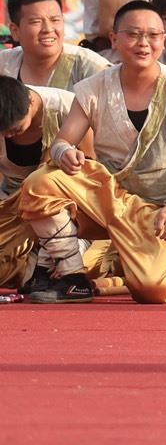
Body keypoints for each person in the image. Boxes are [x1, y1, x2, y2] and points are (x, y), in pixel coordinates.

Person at [18, 0, 166, 303]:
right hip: (107, 200)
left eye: (153, 35)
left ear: (163, 41)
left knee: (153, 290)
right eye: (134, 34)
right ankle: (73, 277)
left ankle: (138, 259)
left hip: (160, 210)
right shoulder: (94, 87)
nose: (144, 43)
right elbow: (62, 142)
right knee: (41, 182)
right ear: (114, 39)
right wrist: (63, 153)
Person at [0, 76, 80, 290]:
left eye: (15, 130)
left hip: (67, 211)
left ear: (31, 103)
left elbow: (93, 173)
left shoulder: (69, 108)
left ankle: (64, 262)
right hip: (12, 207)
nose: (7, 135)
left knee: (41, 183)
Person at [2, 0, 111, 88]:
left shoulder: (92, 68)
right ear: (15, 31)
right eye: (36, 21)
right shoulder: (4, 65)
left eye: (55, 20)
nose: (48, 29)